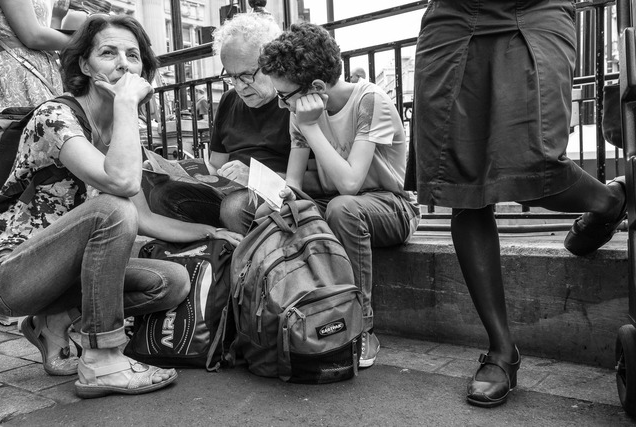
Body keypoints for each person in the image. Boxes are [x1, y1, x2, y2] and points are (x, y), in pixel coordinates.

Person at [0, 14, 241, 399]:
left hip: (65, 275)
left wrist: (211, 231)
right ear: (84, 65)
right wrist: (126, 104)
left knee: (171, 282)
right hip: (13, 275)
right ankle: (103, 360)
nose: (123, 64)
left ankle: (54, 320)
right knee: (113, 208)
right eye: (108, 53)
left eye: (133, 55)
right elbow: (121, 188)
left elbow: (143, 218)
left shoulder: (120, 136)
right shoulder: (55, 117)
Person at [413, 1, 626, 407]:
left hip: (534, 9)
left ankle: (610, 200)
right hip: (453, 20)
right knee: (463, 183)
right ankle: (501, 350)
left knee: (536, 164)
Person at [258, 22, 420, 368]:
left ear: (316, 87)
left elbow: (350, 183)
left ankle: (362, 326)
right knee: (268, 213)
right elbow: (294, 183)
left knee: (343, 208)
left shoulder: (369, 101)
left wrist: (311, 126)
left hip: (392, 206)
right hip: (338, 204)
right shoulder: (299, 111)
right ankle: (285, 316)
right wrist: (278, 196)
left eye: (284, 96)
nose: (282, 105)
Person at [148, 12, 321, 235]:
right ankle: (220, 247)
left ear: (272, 63)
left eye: (246, 75)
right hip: (230, 193)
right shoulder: (229, 100)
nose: (239, 86)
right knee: (162, 195)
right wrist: (173, 171)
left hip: (277, 195)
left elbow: (316, 180)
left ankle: (248, 254)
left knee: (235, 208)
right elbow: (215, 166)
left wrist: (257, 178)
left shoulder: (293, 101)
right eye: (230, 76)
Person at [0, 0, 73, 109]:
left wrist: (56, 18)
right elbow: (33, 37)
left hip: (35, 70)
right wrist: (84, 40)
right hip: (18, 72)